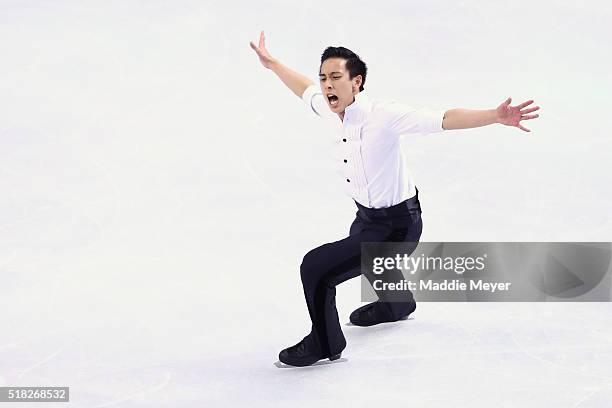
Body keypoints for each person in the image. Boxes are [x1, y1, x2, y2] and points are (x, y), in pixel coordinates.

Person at [249, 30, 540, 367]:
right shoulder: (329, 110)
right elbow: (304, 89)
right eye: (324, 77)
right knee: (363, 250)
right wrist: (273, 64)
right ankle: (397, 304)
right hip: (367, 219)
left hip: (398, 226)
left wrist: (494, 115)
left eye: (336, 77)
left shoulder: (383, 116)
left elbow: (442, 118)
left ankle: (325, 342)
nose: (327, 85)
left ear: (356, 82)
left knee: (316, 267)